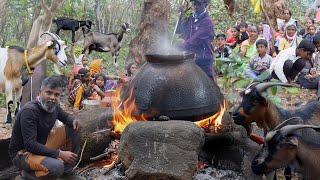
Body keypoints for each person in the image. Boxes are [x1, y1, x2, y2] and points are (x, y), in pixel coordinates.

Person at [8, 76, 81, 179]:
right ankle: (26, 175)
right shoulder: (29, 111)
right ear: (40, 92)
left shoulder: (53, 106)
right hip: (23, 153)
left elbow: (65, 116)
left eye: (56, 94)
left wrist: (73, 120)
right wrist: (59, 153)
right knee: (56, 167)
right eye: (49, 93)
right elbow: (30, 145)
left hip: (43, 144)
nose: (52, 97)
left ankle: (68, 171)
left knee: (73, 127)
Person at [176, 0, 215, 80]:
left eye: (199, 4)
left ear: (205, 5)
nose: (196, 6)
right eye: (195, 4)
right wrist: (180, 16)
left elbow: (197, 38)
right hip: (191, 55)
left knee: (207, 81)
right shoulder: (191, 18)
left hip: (203, 57)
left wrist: (183, 45)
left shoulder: (207, 22)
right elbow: (179, 29)